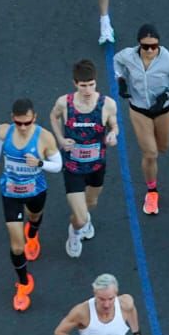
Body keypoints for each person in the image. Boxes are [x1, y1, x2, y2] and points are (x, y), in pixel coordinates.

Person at [0, 98, 64, 312]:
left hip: (35, 190)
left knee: (34, 216)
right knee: (16, 246)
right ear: (13, 119)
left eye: (27, 123)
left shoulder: (44, 138)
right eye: (19, 123)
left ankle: (33, 234)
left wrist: (39, 163)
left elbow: (58, 166)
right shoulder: (5, 131)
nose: (22, 127)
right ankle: (23, 283)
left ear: (34, 119)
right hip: (10, 192)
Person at [114, 24, 169, 214]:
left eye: (153, 46)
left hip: (163, 110)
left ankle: (152, 149)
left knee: (162, 147)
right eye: (145, 46)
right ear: (138, 44)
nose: (149, 50)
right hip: (139, 109)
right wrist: (121, 80)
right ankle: (152, 191)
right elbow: (116, 62)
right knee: (151, 154)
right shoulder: (127, 56)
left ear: (159, 44)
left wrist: (168, 94)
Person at [49, 59, 120, 259]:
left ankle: (83, 221)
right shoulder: (65, 103)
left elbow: (114, 126)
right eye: (83, 85)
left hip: (97, 165)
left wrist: (113, 135)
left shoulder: (107, 104)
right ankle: (75, 231)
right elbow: (53, 117)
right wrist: (61, 139)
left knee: (92, 203)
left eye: (91, 84)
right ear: (75, 83)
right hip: (72, 167)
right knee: (79, 217)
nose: (88, 90)